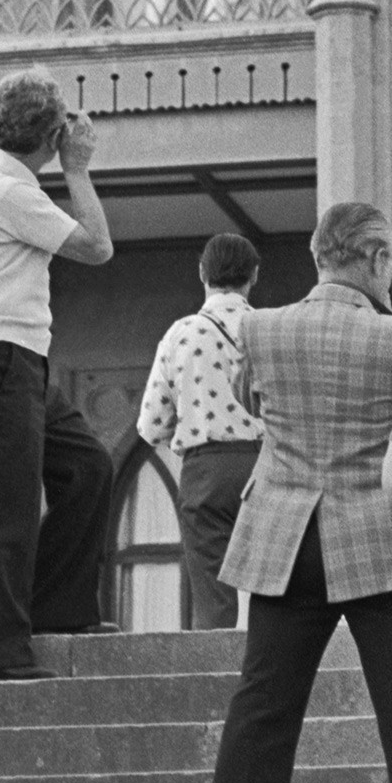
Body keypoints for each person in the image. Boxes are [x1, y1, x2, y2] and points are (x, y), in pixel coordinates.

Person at [189, 203, 392, 783]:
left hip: (284, 540)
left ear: (317, 258)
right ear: (373, 260)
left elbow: (253, 400)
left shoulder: (262, 326)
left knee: (263, 708)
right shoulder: (391, 339)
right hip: (372, 538)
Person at [0, 68, 116, 681]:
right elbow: (97, 247)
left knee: (88, 467)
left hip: (4, 356)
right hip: (0, 356)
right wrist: (78, 168)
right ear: (50, 136)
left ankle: (55, 610)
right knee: (5, 509)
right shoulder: (10, 193)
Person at [137, 233, 264, 629]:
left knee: (212, 593)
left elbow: (152, 424)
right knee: (274, 586)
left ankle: (218, 677)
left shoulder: (181, 333)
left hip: (205, 471)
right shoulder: (270, 329)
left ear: (202, 273)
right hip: (267, 469)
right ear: (253, 276)